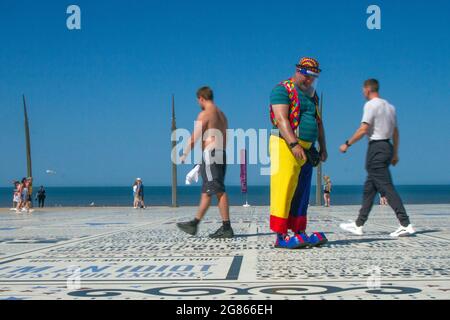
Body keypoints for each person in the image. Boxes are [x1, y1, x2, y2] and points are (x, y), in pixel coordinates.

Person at [339, 79, 415, 237]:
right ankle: (358, 224)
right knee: (370, 188)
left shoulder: (370, 105)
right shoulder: (390, 107)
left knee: (387, 187)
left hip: (376, 148)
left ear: (367, 89)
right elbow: (395, 132)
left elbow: (363, 129)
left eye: (363, 90)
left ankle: (405, 223)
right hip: (387, 147)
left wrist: (347, 143)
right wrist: (395, 153)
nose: (362, 93)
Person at [269, 57, 328, 249]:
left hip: (307, 149)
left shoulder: (312, 95)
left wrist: (322, 146)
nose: (311, 81)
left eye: (314, 78)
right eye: (308, 77)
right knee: (284, 188)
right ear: (298, 71)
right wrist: (294, 144)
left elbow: (318, 123)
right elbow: (281, 119)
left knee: (302, 192)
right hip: (285, 145)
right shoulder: (282, 89)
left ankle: (299, 231)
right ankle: (280, 235)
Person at [177, 86, 233, 239]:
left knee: (218, 190)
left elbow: (194, 137)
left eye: (198, 101)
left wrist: (184, 154)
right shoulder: (222, 115)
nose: (198, 103)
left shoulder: (205, 113)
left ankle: (226, 227)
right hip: (221, 153)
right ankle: (194, 224)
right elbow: (226, 137)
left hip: (211, 154)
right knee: (208, 191)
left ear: (201, 98)